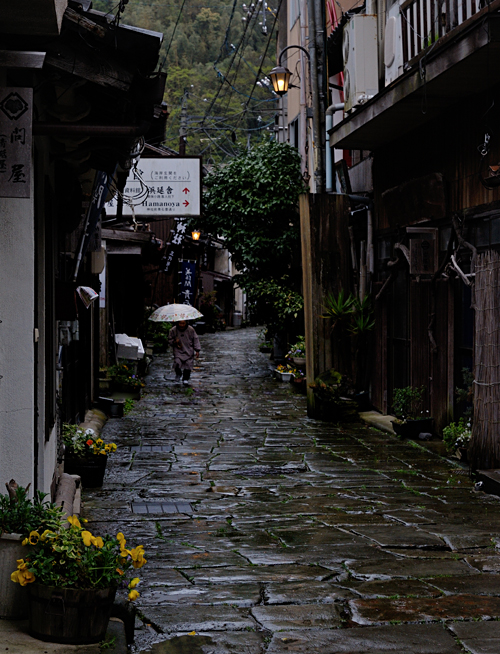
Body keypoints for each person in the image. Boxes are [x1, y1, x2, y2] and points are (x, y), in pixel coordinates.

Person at [168, 320, 201, 385]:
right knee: (177, 362)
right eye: (180, 323)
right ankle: (178, 373)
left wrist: (197, 350)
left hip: (188, 350)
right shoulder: (173, 330)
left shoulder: (191, 329)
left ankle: (185, 378)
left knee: (188, 365)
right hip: (178, 350)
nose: (182, 325)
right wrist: (174, 341)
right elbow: (169, 340)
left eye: (183, 323)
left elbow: (195, 339)